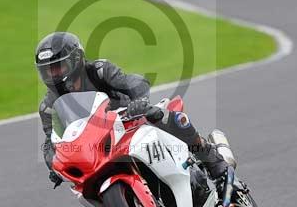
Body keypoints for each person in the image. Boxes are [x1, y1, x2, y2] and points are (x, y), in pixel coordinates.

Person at [35, 31, 229, 188]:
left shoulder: (99, 71)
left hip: (130, 120)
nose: (54, 74)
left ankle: (211, 158)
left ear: (76, 59)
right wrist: (54, 164)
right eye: (48, 70)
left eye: (58, 67)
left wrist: (138, 102)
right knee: (82, 186)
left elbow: (135, 83)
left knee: (167, 115)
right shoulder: (48, 106)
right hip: (98, 145)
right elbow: (51, 140)